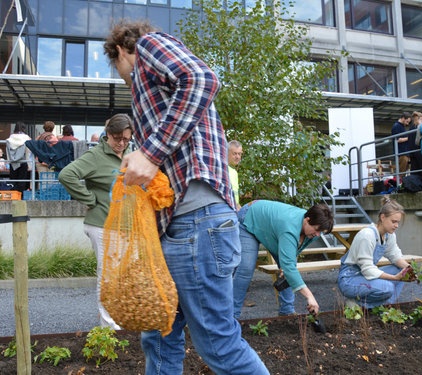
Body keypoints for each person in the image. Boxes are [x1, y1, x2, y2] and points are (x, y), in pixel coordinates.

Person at [103, 20, 269, 375]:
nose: (124, 79)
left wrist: (149, 153)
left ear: (119, 51)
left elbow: (202, 79)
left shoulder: (147, 46)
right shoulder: (155, 87)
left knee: (218, 345)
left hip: (199, 224)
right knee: (160, 337)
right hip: (182, 228)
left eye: (119, 71)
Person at [58, 113, 133, 330]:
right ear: (108, 134)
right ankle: (110, 328)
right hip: (102, 224)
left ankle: (121, 321)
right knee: (109, 277)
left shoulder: (129, 153)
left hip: (125, 225)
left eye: (126, 139)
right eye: (117, 138)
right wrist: (90, 199)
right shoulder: (95, 156)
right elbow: (67, 175)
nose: (121, 143)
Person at [233, 200, 334, 318]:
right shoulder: (289, 229)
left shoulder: (312, 230)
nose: (318, 235)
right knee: (246, 269)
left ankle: (287, 313)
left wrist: (286, 267)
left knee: (287, 269)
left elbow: (290, 263)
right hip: (250, 216)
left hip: (272, 228)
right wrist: (309, 296)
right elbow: (289, 268)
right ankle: (231, 317)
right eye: (316, 230)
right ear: (307, 220)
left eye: (321, 232)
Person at [337, 196, 417, 309]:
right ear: (383, 217)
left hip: (365, 276)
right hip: (350, 279)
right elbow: (367, 269)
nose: (396, 226)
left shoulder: (389, 236)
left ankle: (386, 305)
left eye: (398, 222)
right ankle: (356, 303)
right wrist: (395, 278)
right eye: (394, 221)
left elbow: (395, 256)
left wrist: (410, 269)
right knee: (387, 288)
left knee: (402, 270)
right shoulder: (367, 235)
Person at [6, 122, 31, 192]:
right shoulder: (26, 137)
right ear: (24, 129)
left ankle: (13, 196)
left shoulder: (10, 137)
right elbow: (29, 151)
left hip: (13, 163)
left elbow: (8, 150)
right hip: (23, 161)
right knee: (22, 181)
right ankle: (20, 196)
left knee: (13, 181)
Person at [228, 140, 243, 210]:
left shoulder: (234, 172)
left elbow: (235, 199)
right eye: (234, 154)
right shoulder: (223, 169)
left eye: (239, 154)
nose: (237, 157)